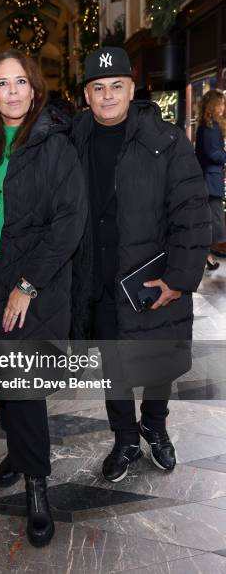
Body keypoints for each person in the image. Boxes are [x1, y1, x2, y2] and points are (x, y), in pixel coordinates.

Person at [70, 46, 211, 483]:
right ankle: (125, 438)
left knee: (158, 362)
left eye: (117, 86)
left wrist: (178, 280)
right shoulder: (74, 140)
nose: (108, 95)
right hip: (100, 279)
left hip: (152, 276)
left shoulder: (166, 141)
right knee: (113, 366)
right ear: (86, 95)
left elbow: (192, 213)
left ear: (132, 88)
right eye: (98, 88)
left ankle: (155, 425)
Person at [0, 49, 86, 546]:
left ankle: (38, 485)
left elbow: (69, 222)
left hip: (34, 279)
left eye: (21, 82)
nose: (12, 91)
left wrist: (27, 286)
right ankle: (17, 451)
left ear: (35, 90)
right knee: (0, 374)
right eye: (2, 84)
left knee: (23, 383)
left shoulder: (53, 144)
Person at [195, 89, 226, 270]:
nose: (223, 108)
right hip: (209, 181)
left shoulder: (207, 126)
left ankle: (206, 255)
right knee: (215, 220)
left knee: (208, 221)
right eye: (221, 104)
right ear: (214, 105)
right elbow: (212, 153)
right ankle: (213, 251)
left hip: (208, 179)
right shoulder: (210, 127)